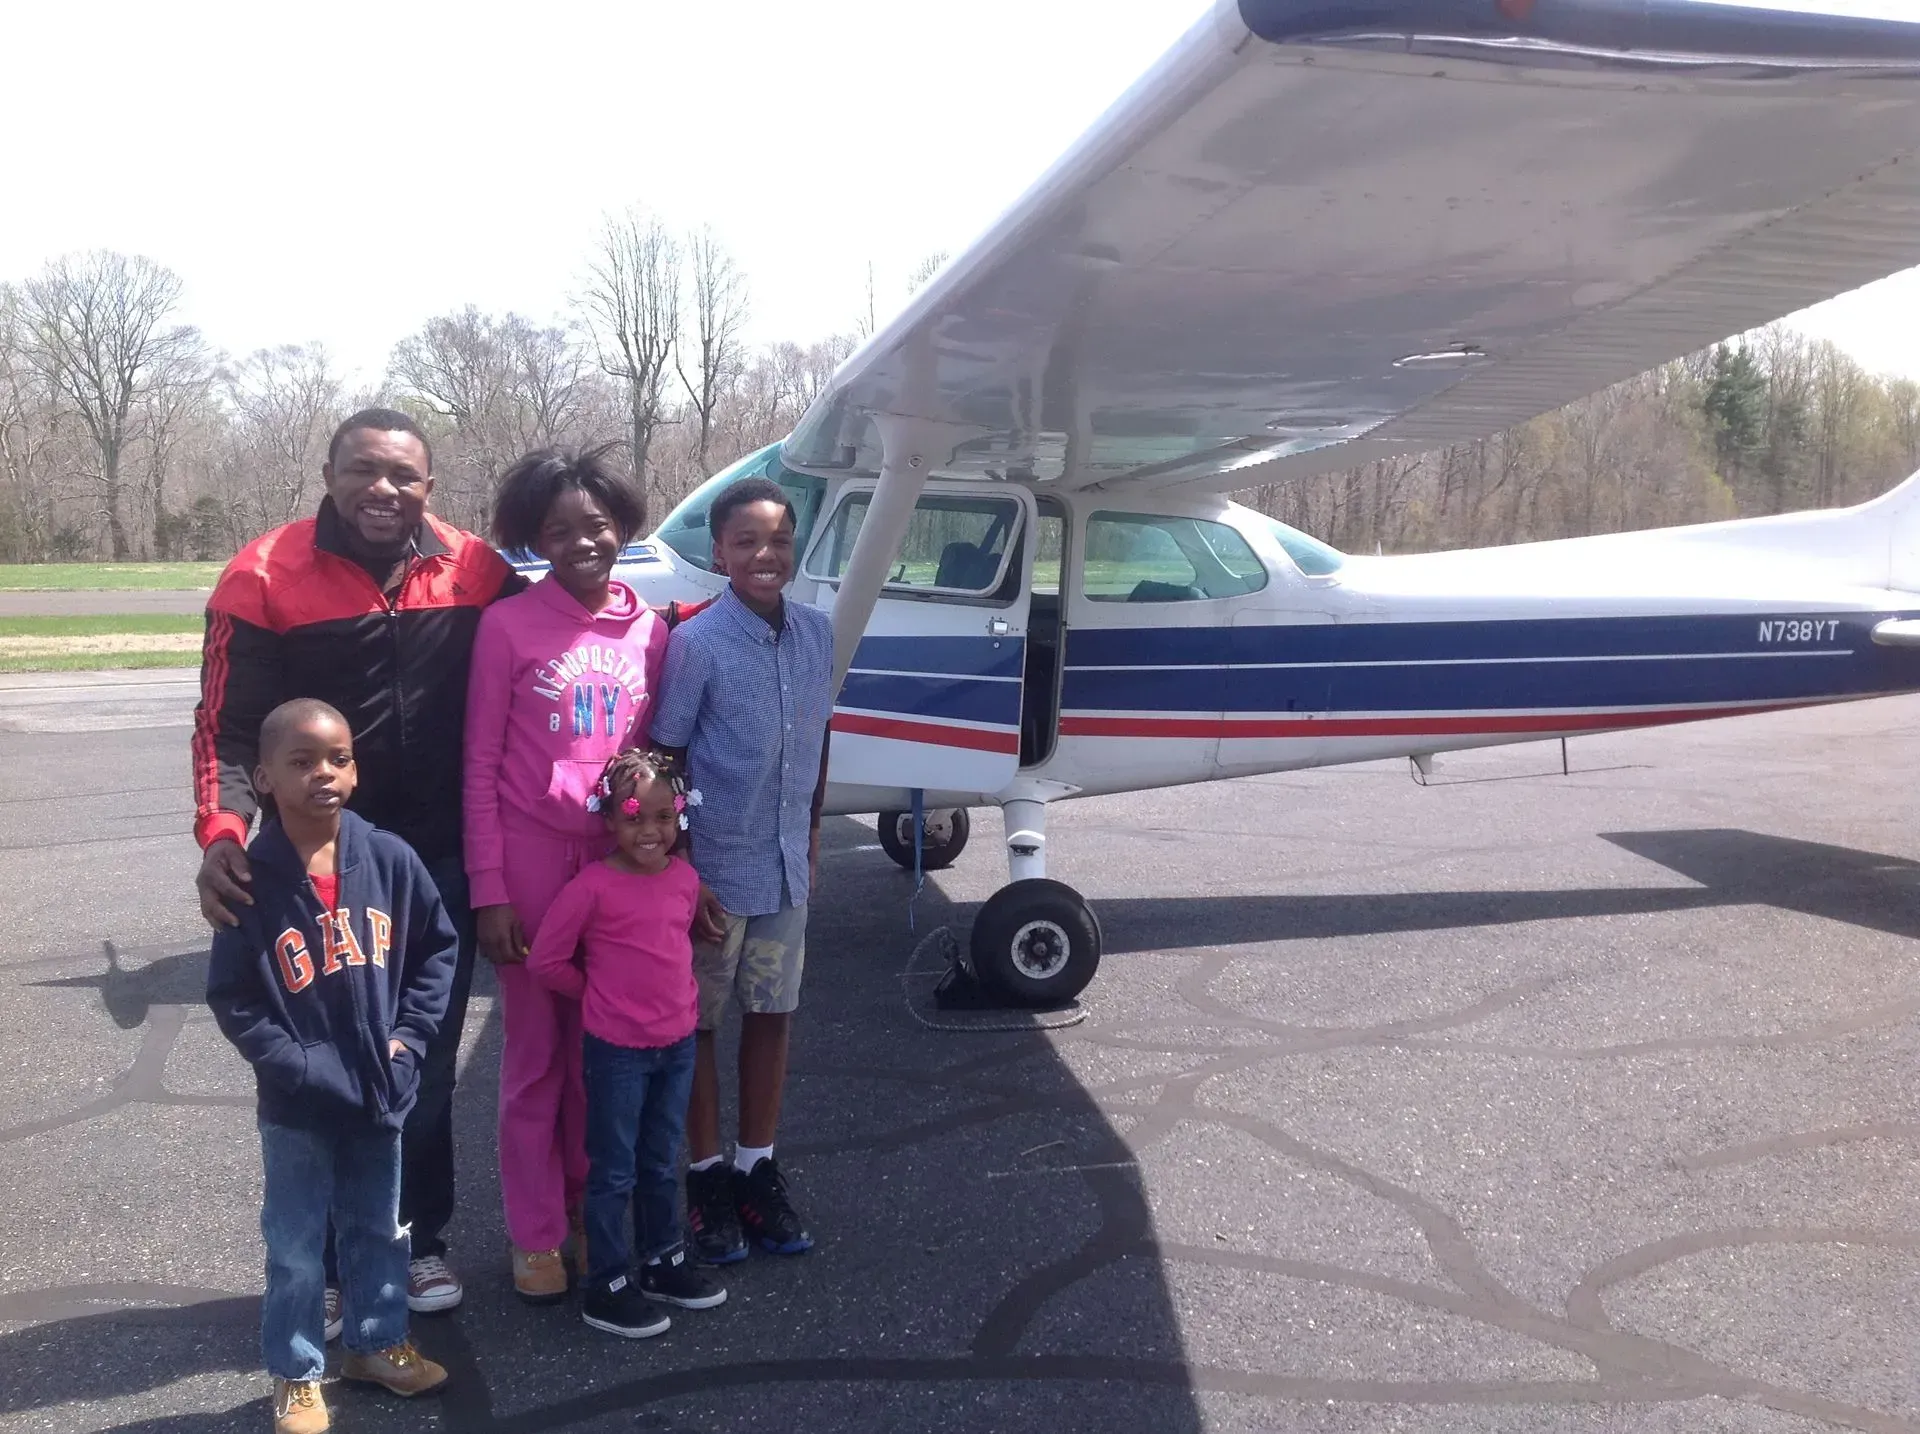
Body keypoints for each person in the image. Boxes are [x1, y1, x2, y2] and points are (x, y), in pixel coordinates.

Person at [193, 408, 522, 1320]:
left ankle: (416, 1242)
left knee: (416, 1058)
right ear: (330, 474)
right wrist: (221, 831)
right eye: (363, 471)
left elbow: (547, 646)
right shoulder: (261, 576)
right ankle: (333, 1261)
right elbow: (222, 727)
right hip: (311, 870)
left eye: (403, 476)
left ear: (430, 486)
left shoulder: (476, 569)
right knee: (321, 1067)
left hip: (435, 865)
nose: (383, 490)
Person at [205, 699, 458, 1434]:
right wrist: (298, 1064)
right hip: (298, 1104)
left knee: (380, 1228)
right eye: (302, 761)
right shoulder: (251, 880)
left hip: (381, 1093)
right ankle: (295, 1371)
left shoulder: (388, 858)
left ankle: (378, 1346)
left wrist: (409, 1040)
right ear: (263, 778)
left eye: (338, 758)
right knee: (293, 1245)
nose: (323, 773)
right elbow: (234, 997)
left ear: (355, 768)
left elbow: (437, 952)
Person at [463, 446, 670, 1303]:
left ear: (622, 524)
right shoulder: (508, 626)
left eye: (595, 525)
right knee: (536, 1060)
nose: (581, 542)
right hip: (533, 866)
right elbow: (478, 765)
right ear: (533, 540)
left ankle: (595, 1215)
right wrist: (490, 890)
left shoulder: (651, 631)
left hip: (618, 871)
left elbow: (657, 763)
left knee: (605, 1061)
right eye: (557, 531)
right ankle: (536, 1233)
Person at [650, 476, 833, 1262]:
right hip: (716, 874)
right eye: (748, 541)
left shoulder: (819, 636)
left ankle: (758, 1168)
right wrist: (682, 866)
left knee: (773, 1014)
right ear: (720, 552)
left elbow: (818, 743)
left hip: (787, 865)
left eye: (780, 540)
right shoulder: (696, 644)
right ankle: (707, 1177)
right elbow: (667, 754)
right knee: (698, 1027)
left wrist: (815, 832)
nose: (766, 553)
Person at [527, 750, 726, 1336]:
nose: (650, 831)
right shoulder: (592, 886)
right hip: (615, 1051)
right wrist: (594, 994)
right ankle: (606, 1282)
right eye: (635, 817)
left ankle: (664, 1259)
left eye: (664, 817)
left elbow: (673, 948)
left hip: (677, 1045)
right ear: (608, 821)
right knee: (613, 1170)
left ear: (679, 819)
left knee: (662, 1161)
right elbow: (547, 960)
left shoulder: (686, 881)